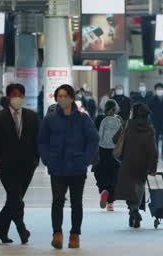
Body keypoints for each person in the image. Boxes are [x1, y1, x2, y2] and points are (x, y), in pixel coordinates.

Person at [39, 85, 99, 249]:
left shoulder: (83, 119)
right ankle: (57, 233)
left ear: (72, 98)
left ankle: (75, 234)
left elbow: (93, 139)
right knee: (57, 201)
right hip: (57, 168)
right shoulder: (50, 119)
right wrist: (47, 159)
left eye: (65, 96)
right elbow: (42, 141)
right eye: (59, 96)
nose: (61, 99)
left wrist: (85, 159)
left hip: (77, 168)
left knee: (76, 203)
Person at [0, 84, 40, 244]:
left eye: (19, 94)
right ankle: (22, 229)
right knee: (15, 198)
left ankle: (1, 230)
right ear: (8, 97)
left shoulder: (32, 116)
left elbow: (36, 141)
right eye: (13, 94)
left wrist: (35, 161)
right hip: (7, 167)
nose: (16, 97)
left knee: (14, 199)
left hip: (27, 166)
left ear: (23, 97)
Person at [114, 103, 158, 229]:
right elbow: (153, 151)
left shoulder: (128, 125)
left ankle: (133, 211)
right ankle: (135, 210)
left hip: (127, 162)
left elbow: (115, 139)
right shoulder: (149, 129)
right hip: (142, 164)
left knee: (129, 188)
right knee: (139, 187)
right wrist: (153, 168)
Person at [94, 99, 123, 212]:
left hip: (101, 151)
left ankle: (103, 190)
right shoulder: (119, 119)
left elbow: (95, 134)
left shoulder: (99, 119)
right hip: (115, 152)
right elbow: (122, 136)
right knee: (114, 176)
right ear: (115, 109)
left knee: (101, 173)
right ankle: (110, 202)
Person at [148, 83, 163, 162]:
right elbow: (149, 110)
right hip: (155, 122)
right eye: (158, 89)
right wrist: (151, 119)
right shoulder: (152, 99)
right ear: (155, 90)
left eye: (161, 89)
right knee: (155, 139)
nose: (159, 90)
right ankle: (156, 154)